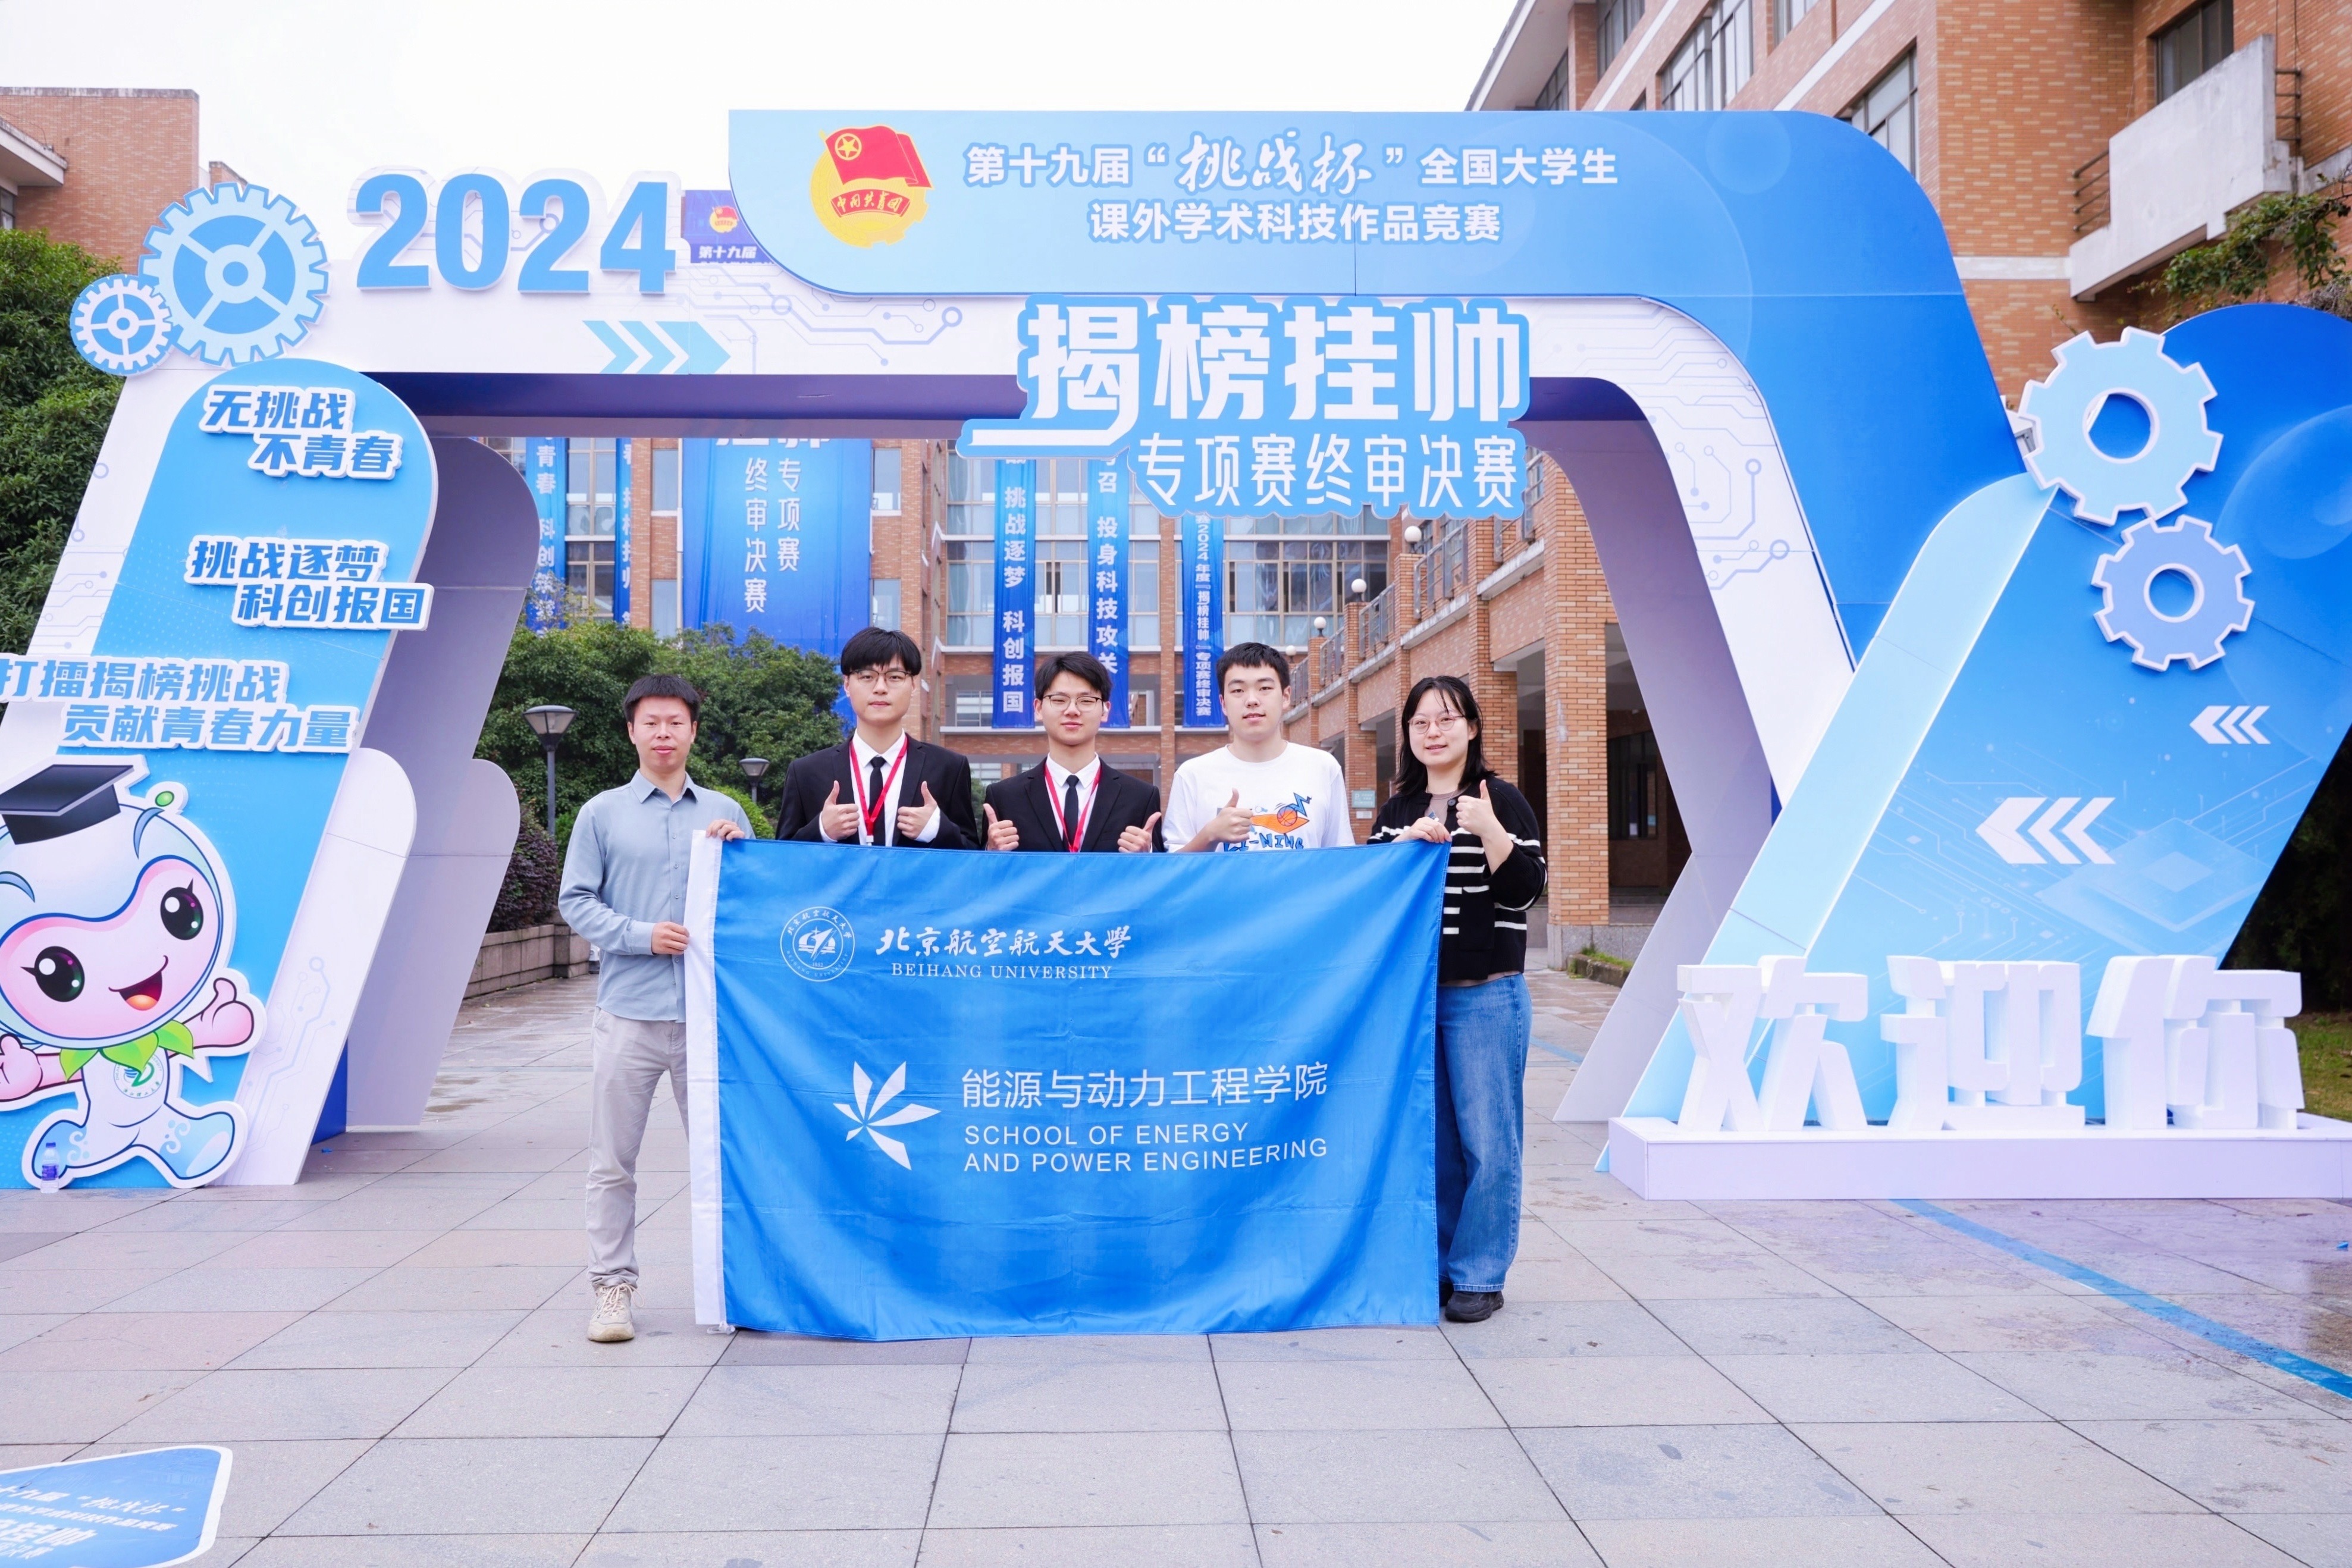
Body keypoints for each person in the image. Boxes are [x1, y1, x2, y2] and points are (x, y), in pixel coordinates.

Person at [557, 673, 751, 1344]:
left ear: (694, 730)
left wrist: (740, 852)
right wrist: (641, 935)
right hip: (629, 1013)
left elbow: (750, 903)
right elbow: (576, 900)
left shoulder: (724, 809)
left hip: (707, 1019)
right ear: (632, 731)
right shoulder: (601, 813)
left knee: (723, 1158)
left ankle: (733, 1284)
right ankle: (612, 1288)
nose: (663, 733)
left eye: (675, 722)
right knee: (612, 1162)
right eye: (651, 722)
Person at [1370, 674, 1546, 1325]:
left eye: (1446, 718)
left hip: (1486, 996)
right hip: (1417, 1002)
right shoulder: (1397, 808)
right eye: (1420, 722)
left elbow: (1526, 891)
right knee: (1436, 1141)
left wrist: (1490, 831)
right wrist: (1402, 849)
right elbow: (1370, 896)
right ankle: (1442, 1266)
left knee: (1490, 1142)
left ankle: (1481, 1273)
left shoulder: (1501, 797)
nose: (1433, 731)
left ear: (1471, 727)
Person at [772, 627, 979, 848]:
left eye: (895, 677)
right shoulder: (806, 772)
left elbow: (973, 854)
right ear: (847, 684)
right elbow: (781, 856)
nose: (880, 688)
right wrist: (822, 831)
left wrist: (937, 829)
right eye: (867, 677)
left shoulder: (949, 768)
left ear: (912, 685)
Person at [1162, 643, 1353, 852]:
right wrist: (1209, 835)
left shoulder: (1322, 768)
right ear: (1223, 703)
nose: (1252, 700)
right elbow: (1173, 866)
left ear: (1286, 697)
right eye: (1238, 690)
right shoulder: (1192, 775)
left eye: (1265, 688)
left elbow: (1341, 857)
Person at [981, 652, 1164, 853]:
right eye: (1059, 700)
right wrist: (991, 853)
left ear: (1105, 711)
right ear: (1039, 708)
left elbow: (1160, 870)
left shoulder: (1140, 797)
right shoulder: (1004, 797)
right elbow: (983, 870)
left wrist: (1147, 856)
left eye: (1086, 701)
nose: (1072, 710)